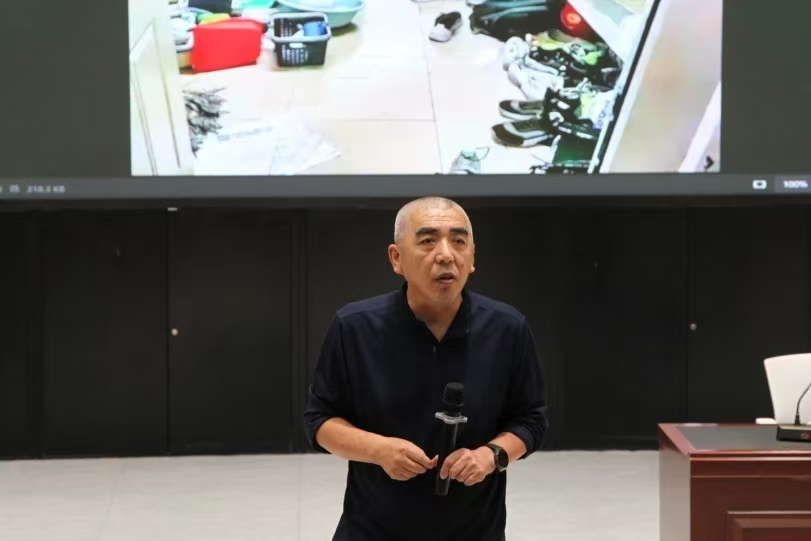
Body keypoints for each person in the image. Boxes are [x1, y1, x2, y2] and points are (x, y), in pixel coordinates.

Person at [303, 196, 548, 541]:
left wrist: (491, 455)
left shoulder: (508, 328)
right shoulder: (354, 326)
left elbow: (532, 420)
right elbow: (319, 421)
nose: (446, 255)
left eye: (459, 241)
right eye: (428, 241)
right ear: (396, 258)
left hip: (475, 530)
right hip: (372, 529)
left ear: (472, 258)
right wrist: (379, 450)